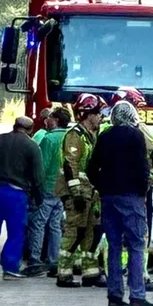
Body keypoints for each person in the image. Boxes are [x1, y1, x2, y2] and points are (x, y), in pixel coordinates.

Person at [88, 101, 153, 306]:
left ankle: (115, 295)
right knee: (136, 244)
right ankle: (137, 295)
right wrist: (143, 191)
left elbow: (92, 168)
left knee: (114, 245)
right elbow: (142, 166)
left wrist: (102, 187)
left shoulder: (104, 136)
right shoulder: (136, 135)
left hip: (109, 197)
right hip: (131, 196)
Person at [100, 87, 153, 293]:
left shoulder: (104, 131)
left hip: (107, 192)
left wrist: (100, 185)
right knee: (138, 238)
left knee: (112, 240)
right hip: (134, 193)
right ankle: (139, 281)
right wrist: (147, 183)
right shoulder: (138, 131)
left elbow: (93, 164)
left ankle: (114, 285)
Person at [0, 117, 45, 280]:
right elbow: (38, 176)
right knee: (16, 232)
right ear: (30, 130)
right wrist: (39, 197)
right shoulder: (32, 146)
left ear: (14, 126)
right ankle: (10, 268)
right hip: (17, 194)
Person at [54, 93, 106, 288]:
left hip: (90, 192)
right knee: (74, 232)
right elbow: (71, 164)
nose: (100, 116)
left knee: (91, 233)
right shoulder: (75, 135)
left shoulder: (92, 134)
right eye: (97, 113)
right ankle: (64, 274)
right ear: (87, 114)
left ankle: (90, 273)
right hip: (77, 193)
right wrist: (75, 193)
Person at [25, 107, 71, 276]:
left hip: (48, 187)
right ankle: (54, 260)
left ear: (56, 120)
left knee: (38, 224)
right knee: (55, 225)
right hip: (63, 188)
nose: (47, 120)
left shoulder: (48, 139)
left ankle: (35, 260)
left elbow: (41, 167)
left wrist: (34, 187)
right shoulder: (70, 136)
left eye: (50, 117)